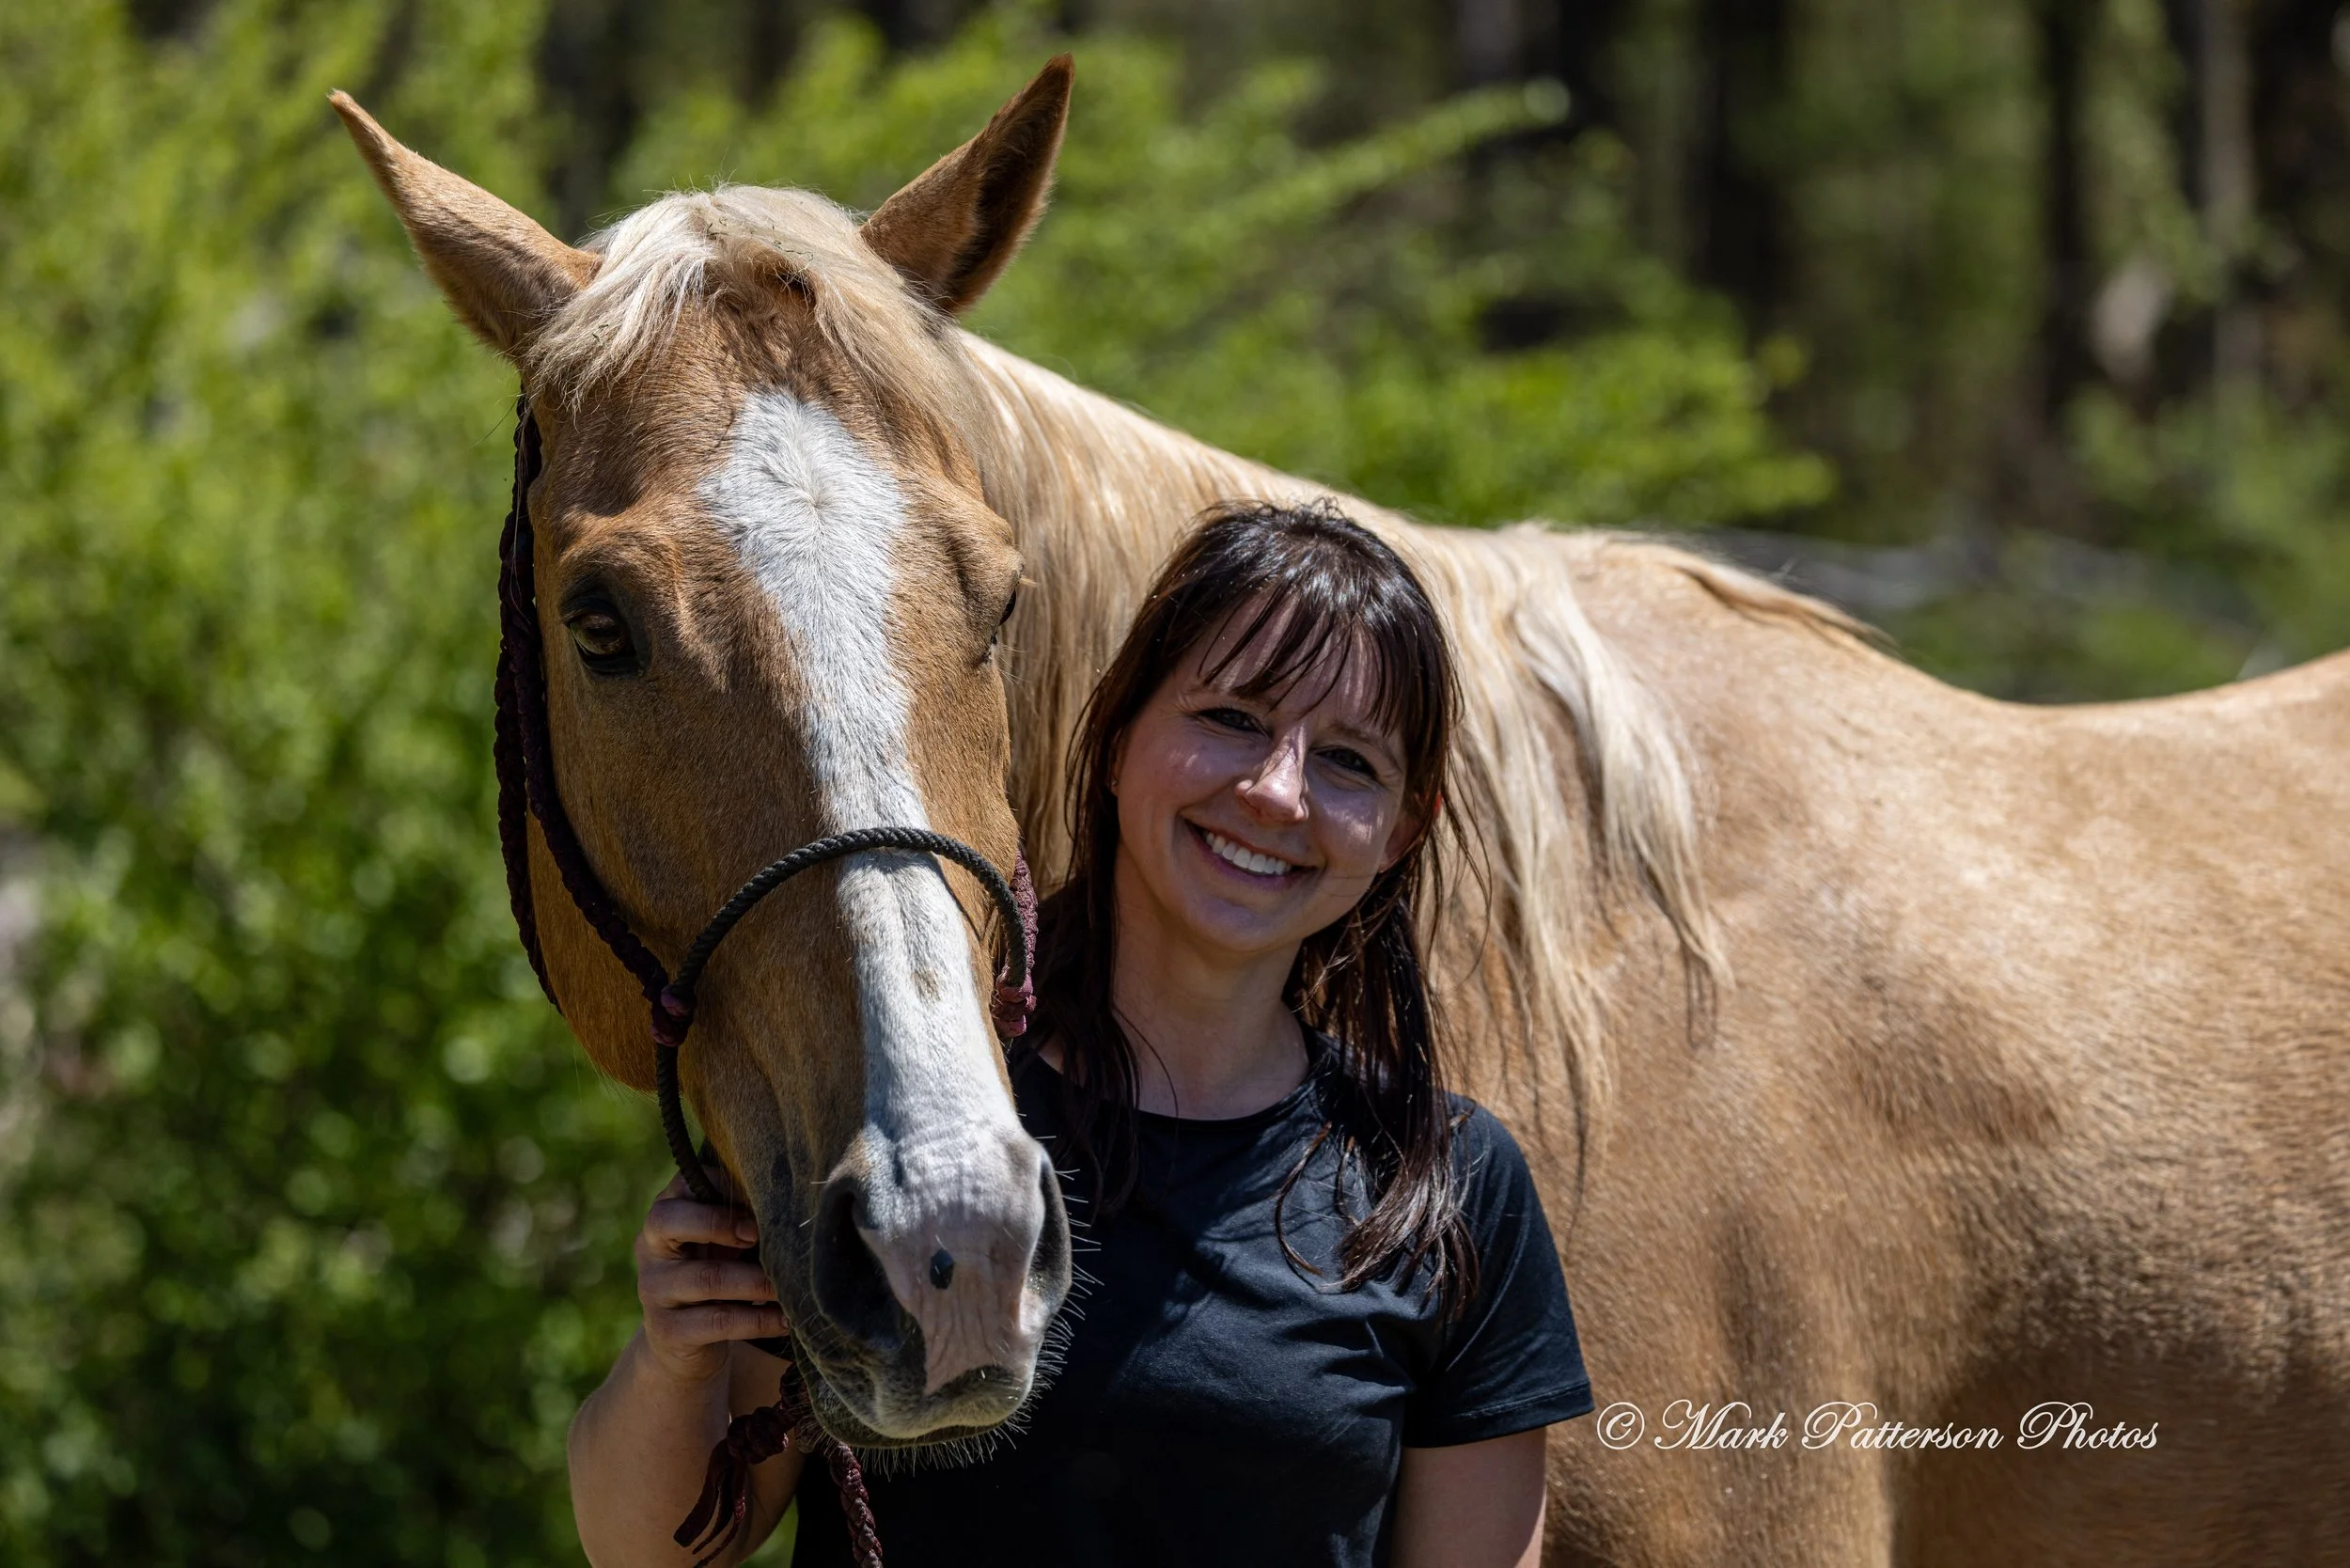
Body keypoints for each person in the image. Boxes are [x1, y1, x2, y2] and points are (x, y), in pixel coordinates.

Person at [569, 499, 1593, 1567]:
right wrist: (673, 1361)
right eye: (1232, 719)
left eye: (1348, 763)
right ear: (1114, 738)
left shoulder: (1451, 1187)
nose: (1277, 792)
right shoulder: (912, 1104)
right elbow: (648, 1552)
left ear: (1399, 832)